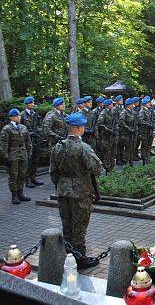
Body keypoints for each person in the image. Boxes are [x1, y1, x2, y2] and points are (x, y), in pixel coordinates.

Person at [50, 112, 103, 270]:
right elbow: (98, 168)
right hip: (80, 193)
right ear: (79, 128)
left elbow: (53, 173)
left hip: (63, 191)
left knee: (67, 226)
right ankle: (79, 259)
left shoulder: (58, 147)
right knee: (79, 228)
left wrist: (62, 185)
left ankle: (68, 255)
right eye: (83, 126)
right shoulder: (83, 147)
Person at [1, 109, 32, 204]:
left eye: (19, 115)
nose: (19, 117)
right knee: (14, 175)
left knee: (22, 174)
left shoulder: (23, 127)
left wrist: (29, 153)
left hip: (23, 154)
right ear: (11, 117)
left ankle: (20, 193)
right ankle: (14, 195)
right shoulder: (7, 129)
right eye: (16, 115)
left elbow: (28, 142)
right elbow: (4, 144)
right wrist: (6, 157)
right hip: (13, 154)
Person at [20, 96, 44, 188]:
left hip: (36, 141)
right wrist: (30, 133)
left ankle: (33, 177)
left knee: (35, 160)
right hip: (27, 142)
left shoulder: (35, 114)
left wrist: (38, 131)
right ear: (26, 104)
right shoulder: (22, 115)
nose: (33, 104)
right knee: (28, 162)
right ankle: (27, 179)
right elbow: (20, 130)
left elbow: (39, 126)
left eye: (33, 102)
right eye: (30, 103)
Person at [97, 99, 118, 173]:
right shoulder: (103, 113)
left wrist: (115, 129)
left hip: (113, 136)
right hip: (106, 137)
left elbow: (116, 122)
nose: (113, 105)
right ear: (108, 105)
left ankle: (112, 168)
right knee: (107, 153)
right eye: (111, 104)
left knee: (113, 152)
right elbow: (100, 124)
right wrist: (108, 130)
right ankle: (107, 169)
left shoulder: (112, 112)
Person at [138, 96, 155, 164]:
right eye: (148, 103)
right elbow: (141, 120)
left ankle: (147, 157)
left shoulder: (148, 110)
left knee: (149, 145)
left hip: (149, 131)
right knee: (144, 145)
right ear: (145, 103)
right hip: (144, 131)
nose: (149, 104)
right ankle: (144, 159)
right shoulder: (142, 111)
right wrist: (148, 125)